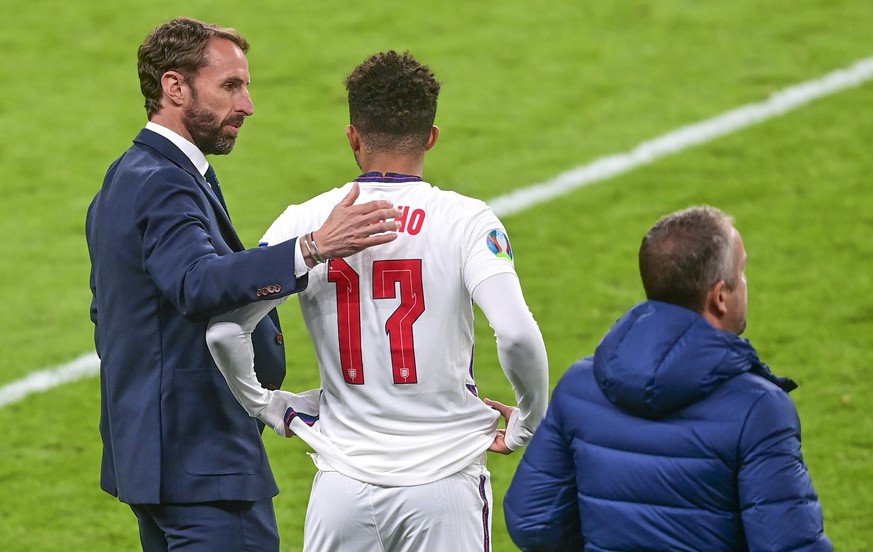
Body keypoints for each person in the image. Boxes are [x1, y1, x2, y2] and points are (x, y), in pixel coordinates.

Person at [206, 50, 550, 551]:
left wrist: (265, 405)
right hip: (444, 482)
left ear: (353, 136)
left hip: (341, 489)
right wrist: (528, 422)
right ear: (431, 136)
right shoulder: (468, 221)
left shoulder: (306, 222)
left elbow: (224, 329)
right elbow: (517, 334)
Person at [85, 18, 401, 552]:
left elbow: (112, 311)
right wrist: (312, 248)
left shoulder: (128, 174)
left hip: (154, 458)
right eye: (230, 86)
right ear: (175, 87)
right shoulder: (165, 182)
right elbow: (195, 282)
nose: (248, 104)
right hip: (202, 465)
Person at [503, 206, 832, 551]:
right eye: (743, 271)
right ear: (720, 296)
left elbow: (533, 522)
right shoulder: (759, 408)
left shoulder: (579, 387)